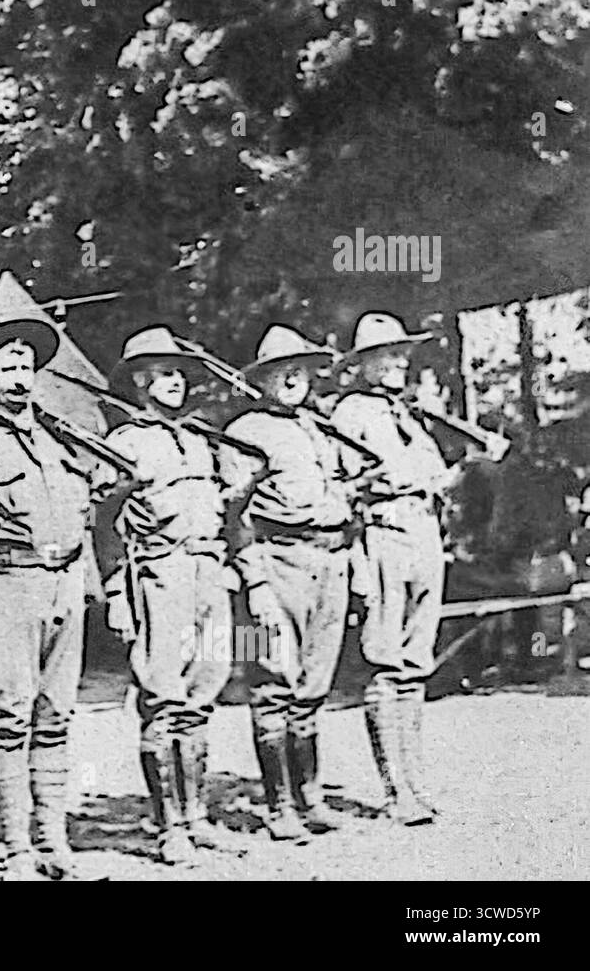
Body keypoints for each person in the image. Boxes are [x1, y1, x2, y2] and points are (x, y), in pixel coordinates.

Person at [0, 312, 112, 880]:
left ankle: (53, 842)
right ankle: (15, 847)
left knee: (57, 716)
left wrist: (88, 584)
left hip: (63, 584)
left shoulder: (62, 438)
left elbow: (85, 515)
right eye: (7, 365)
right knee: (12, 716)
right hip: (7, 588)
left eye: (27, 365)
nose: (19, 375)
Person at [102, 326, 253, 864]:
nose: (175, 382)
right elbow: (106, 523)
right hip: (158, 572)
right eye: (163, 373)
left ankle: (197, 816)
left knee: (202, 692)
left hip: (207, 570)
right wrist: (116, 590)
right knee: (162, 695)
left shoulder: (197, 439)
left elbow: (225, 512)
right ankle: (169, 828)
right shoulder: (123, 444)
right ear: (140, 382)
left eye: (178, 372)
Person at [221, 325, 367, 840]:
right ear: (260, 379)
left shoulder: (320, 428)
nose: (291, 378)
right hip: (275, 563)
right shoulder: (244, 431)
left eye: (300, 369)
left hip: (329, 561)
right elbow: (233, 514)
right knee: (272, 682)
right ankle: (279, 806)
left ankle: (310, 798)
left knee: (313, 686)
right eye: (280, 371)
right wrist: (254, 583)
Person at [332, 312, 475, 824]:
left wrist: (473, 462)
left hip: (423, 535)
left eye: (400, 354)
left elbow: (434, 480)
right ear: (363, 364)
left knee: (416, 665)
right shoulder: (349, 413)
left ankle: (416, 781)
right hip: (384, 536)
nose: (396, 363)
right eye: (384, 355)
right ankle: (396, 790)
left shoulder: (413, 415)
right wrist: (358, 559)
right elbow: (341, 488)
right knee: (385, 661)